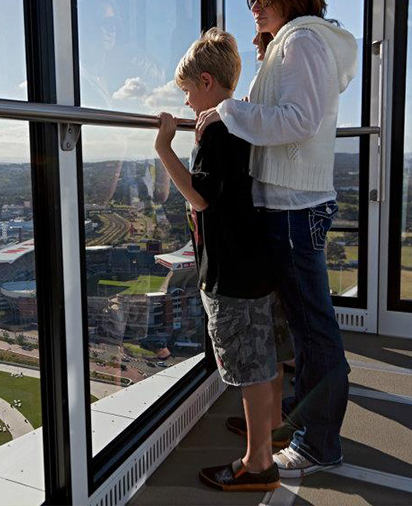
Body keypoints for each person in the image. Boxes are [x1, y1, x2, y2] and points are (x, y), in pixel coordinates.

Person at [196, 0, 357, 479]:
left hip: (294, 207)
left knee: (314, 330)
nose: (255, 7)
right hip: (290, 205)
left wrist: (227, 111)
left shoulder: (302, 42)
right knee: (303, 325)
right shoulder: (293, 42)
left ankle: (318, 444)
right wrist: (241, 104)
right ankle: (296, 420)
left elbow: (299, 120)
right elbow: (282, 110)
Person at [154, 28, 293, 492]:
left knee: (250, 367)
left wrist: (164, 148)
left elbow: (200, 196)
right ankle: (271, 427)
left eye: (188, 91)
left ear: (207, 82)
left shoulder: (217, 131)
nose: (187, 102)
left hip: (231, 270)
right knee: (267, 353)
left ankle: (258, 463)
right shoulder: (246, 121)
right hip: (257, 259)